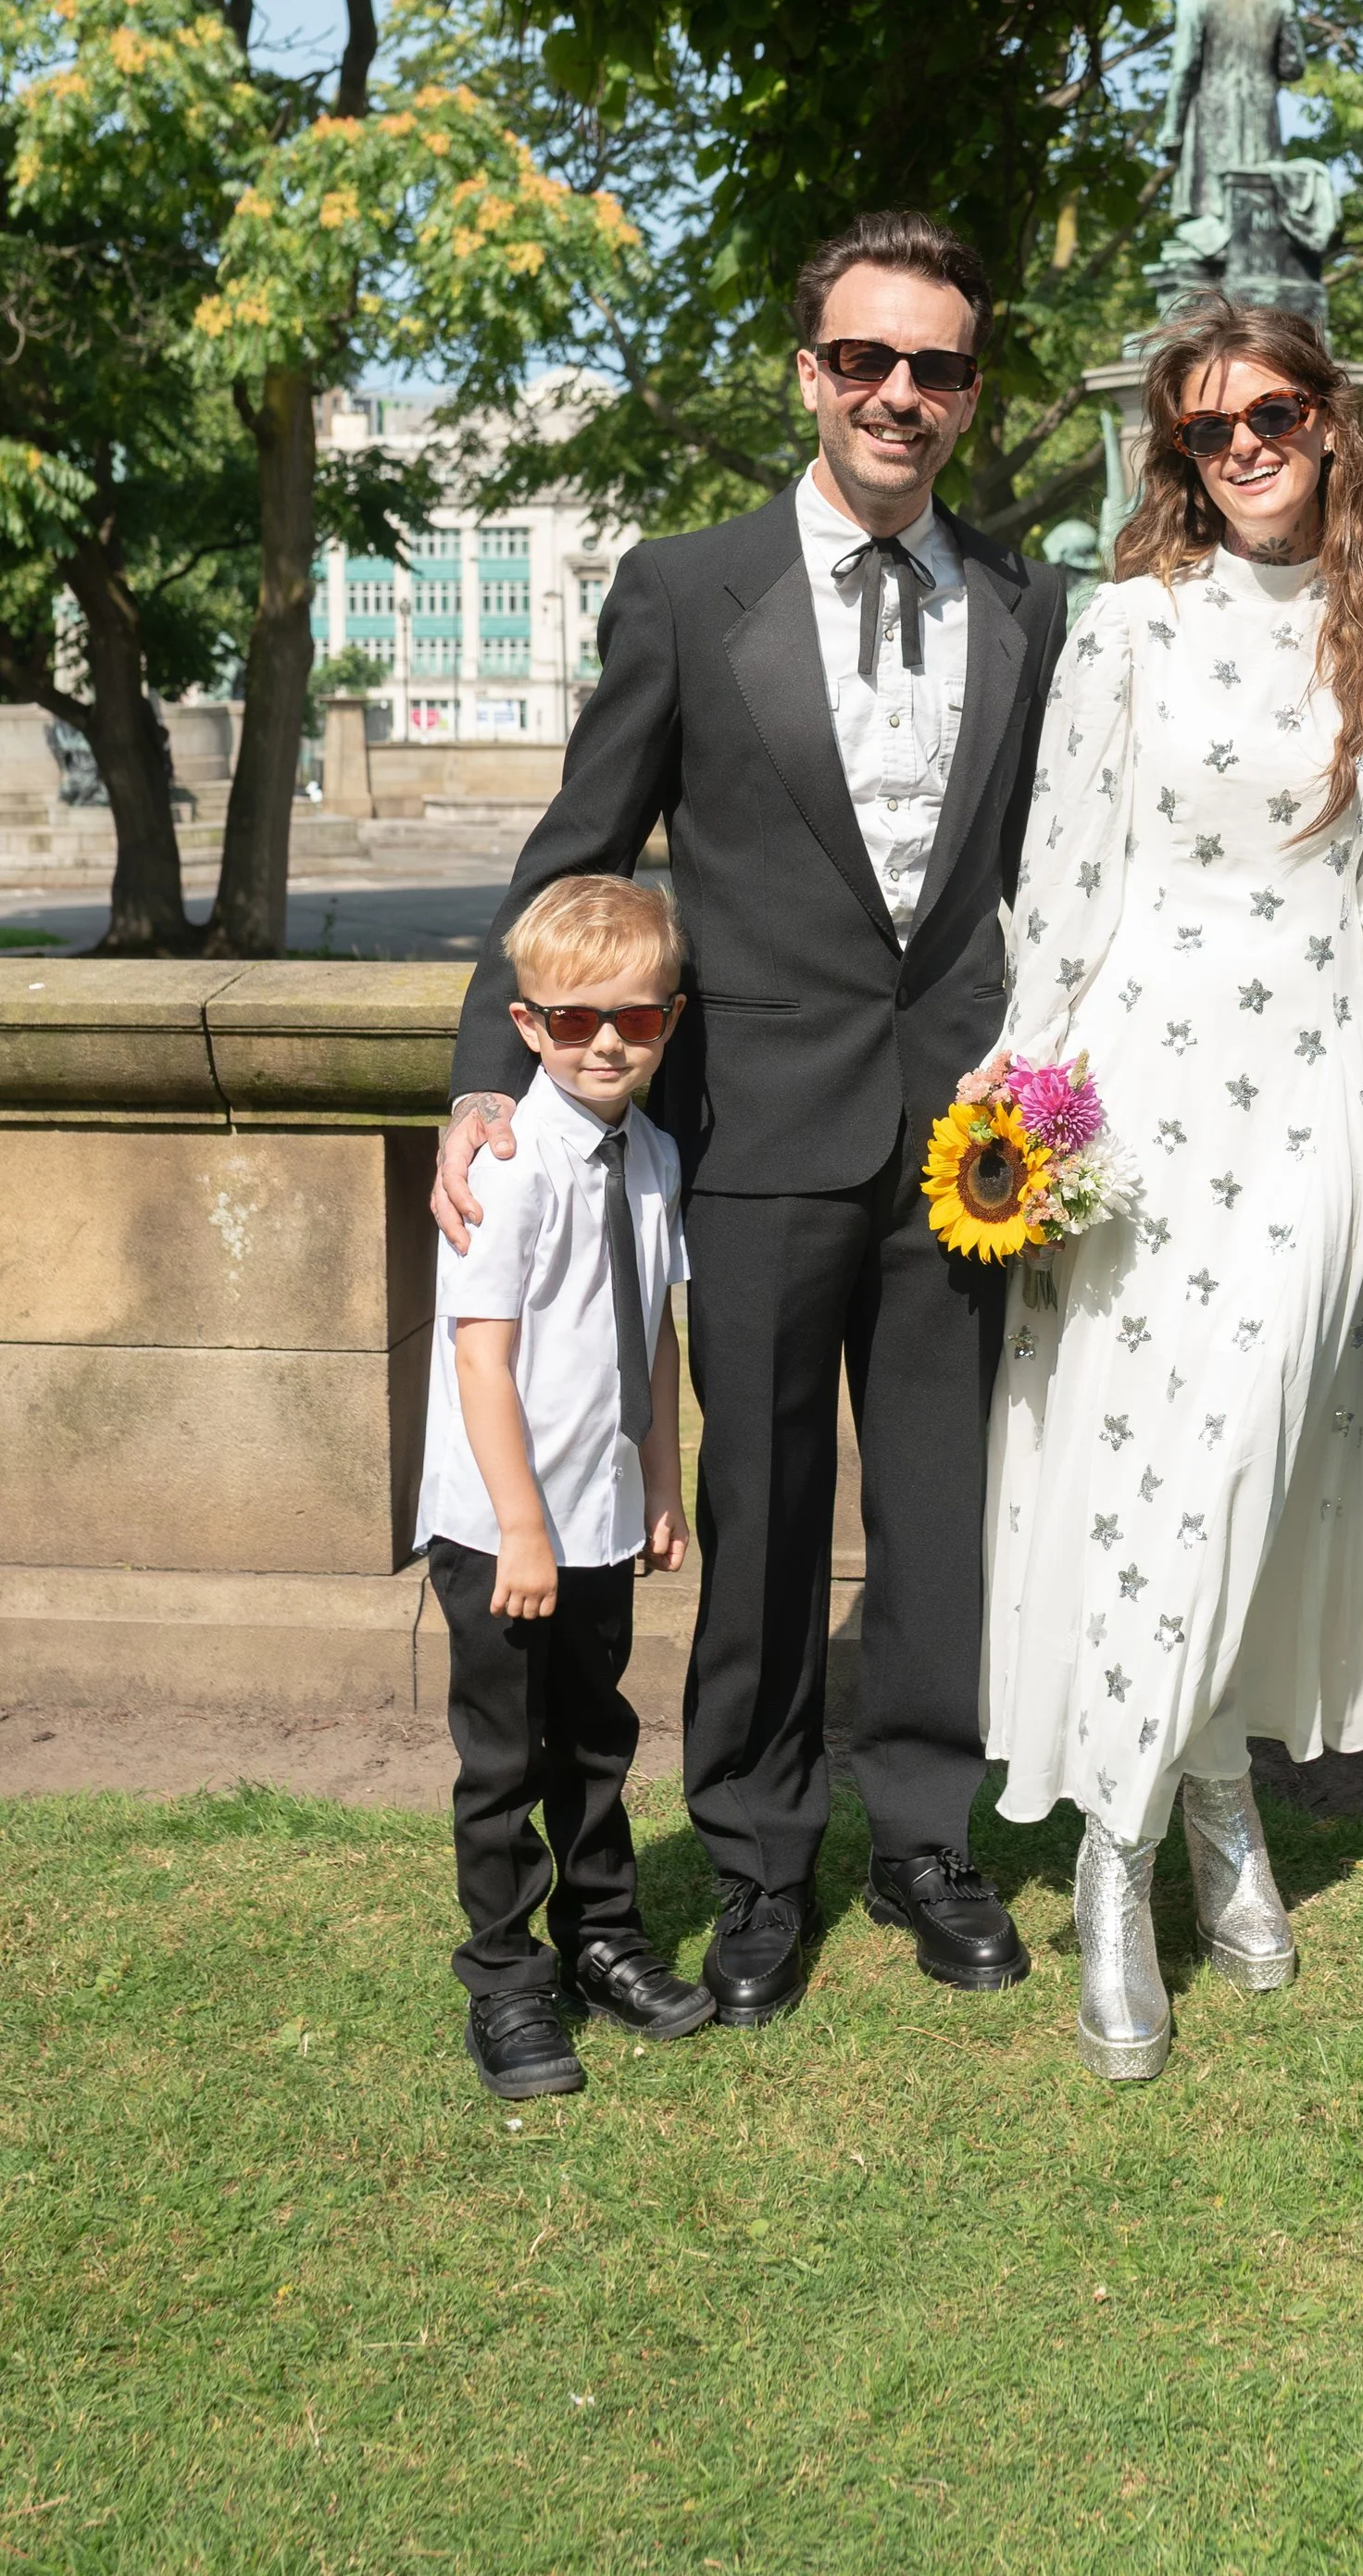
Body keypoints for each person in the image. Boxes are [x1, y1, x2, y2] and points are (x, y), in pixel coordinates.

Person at [432, 210, 1069, 2027]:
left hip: (967, 1148)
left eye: (936, 367)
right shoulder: (684, 587)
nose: (898, 395)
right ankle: (767, 1864)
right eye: (863, 359)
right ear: (807, 371)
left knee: (942, 1517)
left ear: (968, 391)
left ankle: (935, 1847)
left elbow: (1053, 873)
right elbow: (579, 851)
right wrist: (490, 1068)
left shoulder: (1026, 598)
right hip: (756, 1129)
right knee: (764, 1515)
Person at [968, 300, 1363, 2081]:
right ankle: (1124, 1852)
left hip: (1315, 1090)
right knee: (1148, 1458)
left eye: (1272, 411)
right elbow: (1065, 869)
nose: (1240, 444)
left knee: (1268, 1444)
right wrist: (1025, 1096)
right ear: (1172, 457)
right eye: (1203, 430)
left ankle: (1216, 1789)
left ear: (1332, 422)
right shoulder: (1128, 631)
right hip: (1139, 1088)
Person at [418, 871, 710, 2099]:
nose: (605, 1041)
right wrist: (524, 1530)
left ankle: (602, 1940)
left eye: (635, 1021)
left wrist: (662, 1479)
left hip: (596, 1514)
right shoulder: (507, 1162)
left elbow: (651, 1335)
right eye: (577, 1018)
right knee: (505, 1762)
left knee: (596, 1740)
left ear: (667, 1026)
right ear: (528, 1025)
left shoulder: (650, 1155)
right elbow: (481, 1361)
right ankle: (505, 1975)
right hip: (503, 1530)